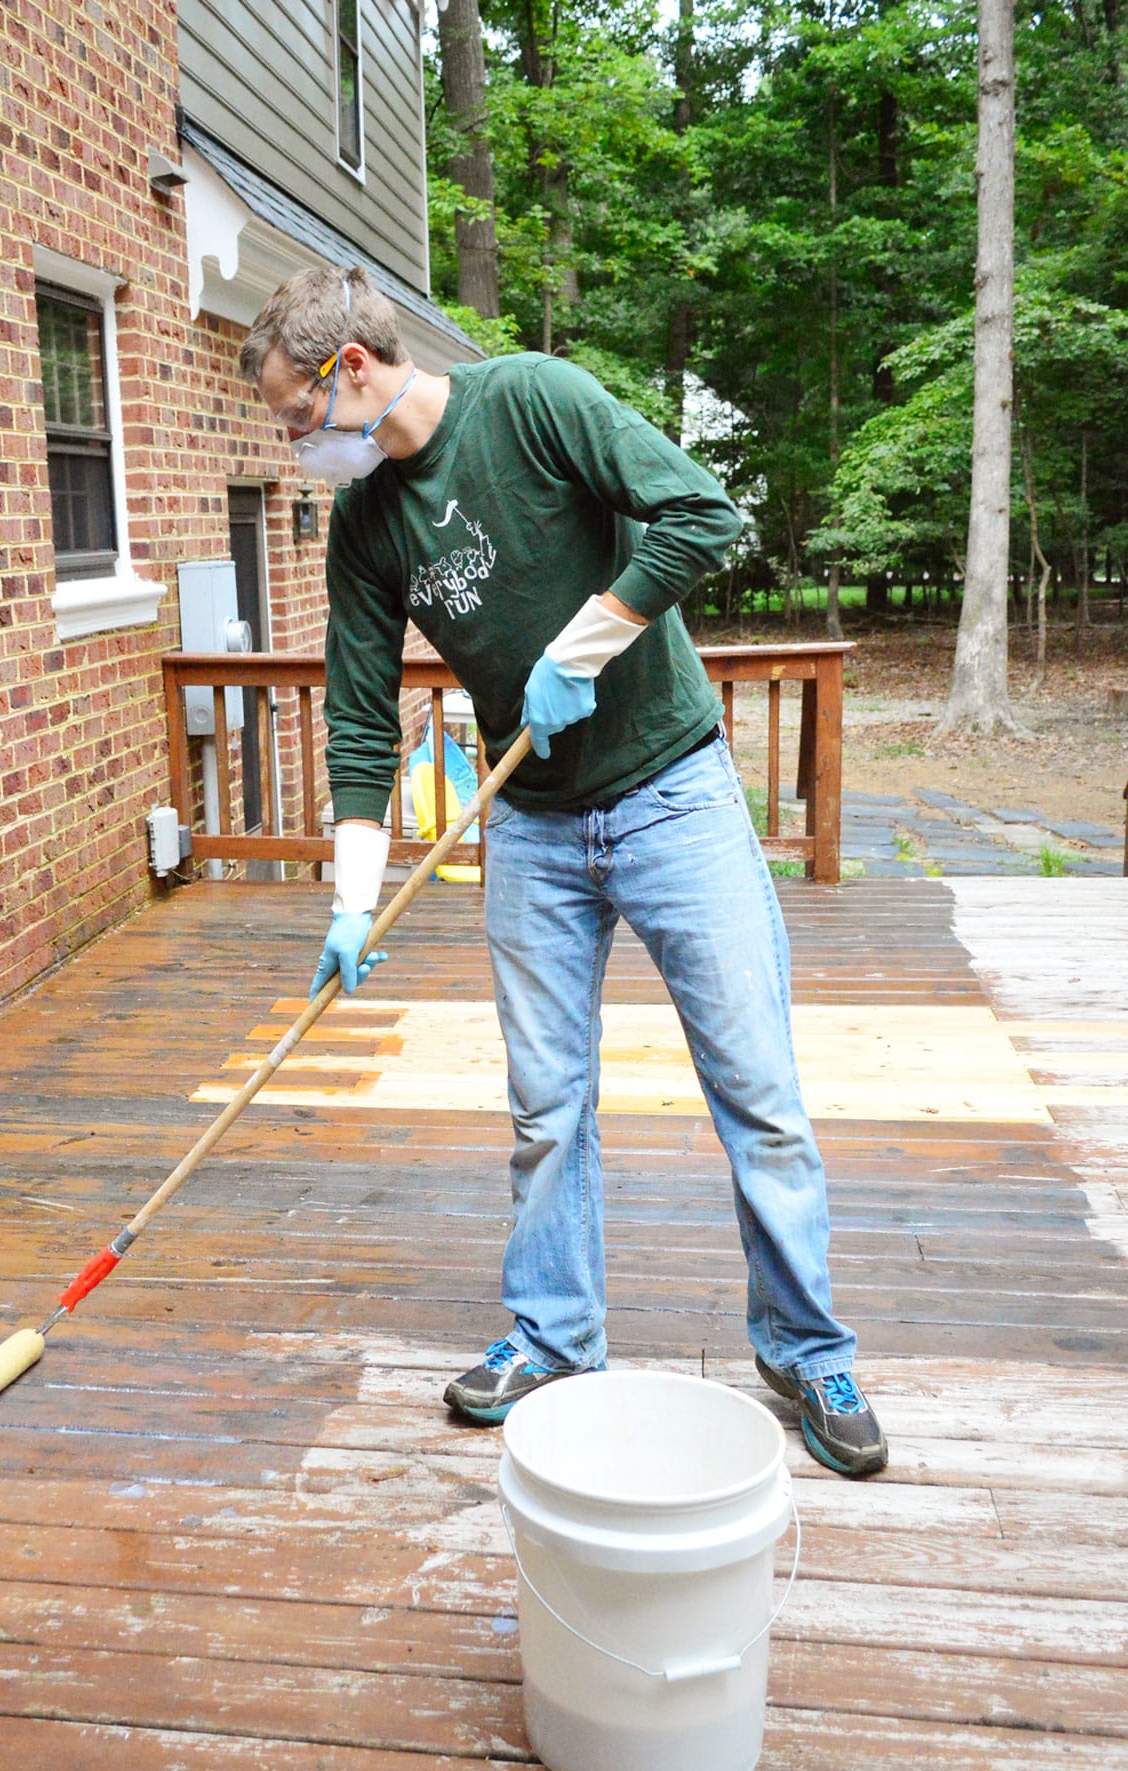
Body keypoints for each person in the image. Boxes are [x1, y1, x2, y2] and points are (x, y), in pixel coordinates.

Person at [238, 264, 887, 1478]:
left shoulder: (532, 401)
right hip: (532, 828)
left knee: (757, 1091)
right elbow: (364, 720)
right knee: (547, 1108)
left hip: (671, 790)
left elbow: (702, 510)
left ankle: (806, 1348)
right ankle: (554, 1336)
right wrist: (351, 896)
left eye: (295, 419)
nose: (297, 449)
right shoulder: (366, 521)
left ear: (352, 372)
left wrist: (584, 643)